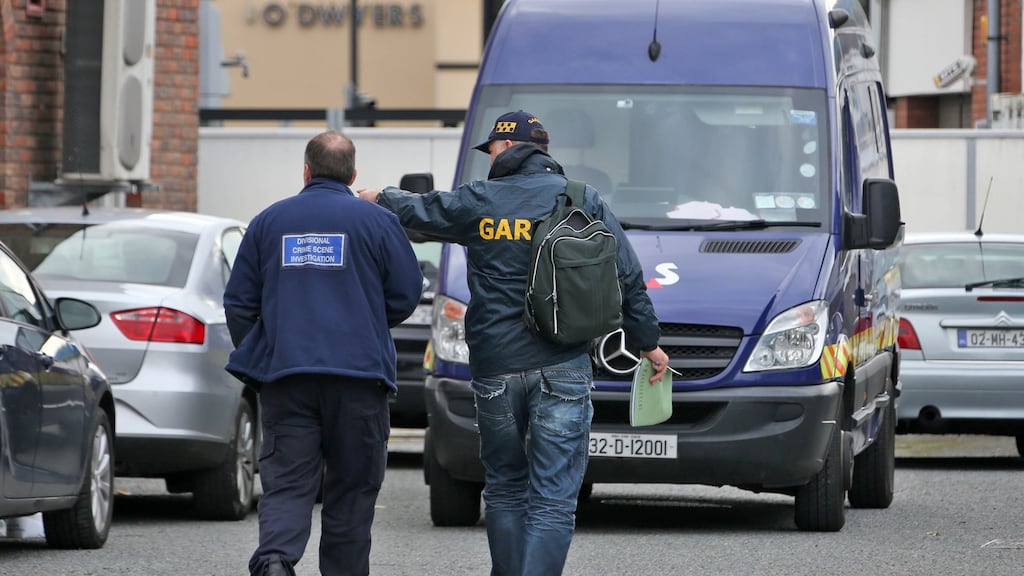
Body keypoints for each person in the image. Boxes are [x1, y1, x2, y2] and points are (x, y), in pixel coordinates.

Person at [358, 110, 669, 576]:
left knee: (504, 486)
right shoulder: (582, 199)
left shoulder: (481, 199)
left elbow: (423, 210)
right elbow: (627, 276)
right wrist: (648, 344)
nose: (488, 159)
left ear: (504, 148)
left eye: (491, 151)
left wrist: (379, 196)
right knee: (553, 498)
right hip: (564, 364)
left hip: (496, 367)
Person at [223, 130, 423, 576]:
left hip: (287, 378)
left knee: (287, 483)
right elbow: (406, 294)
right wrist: (364, 321)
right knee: (352, 488)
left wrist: (267, 349)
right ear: (354, 175)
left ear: (307, 171)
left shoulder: (268, 222)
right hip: (359, 380)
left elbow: (239, 304)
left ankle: (276, 560)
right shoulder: (378, 222)